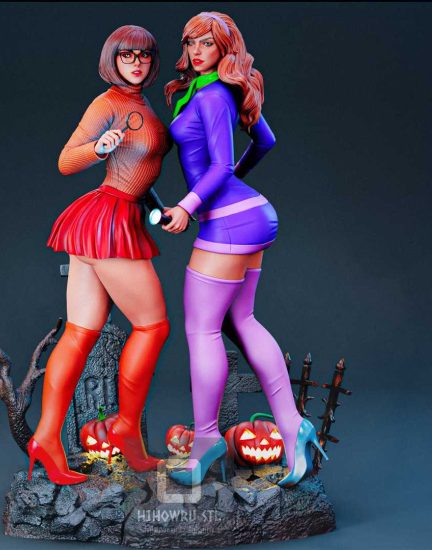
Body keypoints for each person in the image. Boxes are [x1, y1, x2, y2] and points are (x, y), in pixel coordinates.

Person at [162, 12, 327, 487]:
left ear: (224, 49)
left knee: (202, 330)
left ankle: (205, 439)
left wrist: (189, 205)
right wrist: (230, 184)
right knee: (242, 320)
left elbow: (217, 165)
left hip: (230, 221)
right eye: (191, 42)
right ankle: (294, 426)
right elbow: (265, 140)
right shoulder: (215, 90)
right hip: (249, 214)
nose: (197, 52)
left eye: (207, 44)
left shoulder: (213, 95)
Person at [27, 25, 172, 485]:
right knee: (152, 326)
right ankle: (126, 429)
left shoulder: (141, 104)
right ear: (113, 59)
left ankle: (46, 437)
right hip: (108, 218)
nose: (137, 63)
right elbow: (66, 161)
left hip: (116, 213)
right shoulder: (107, 103)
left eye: (144, 56)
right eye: (127, 55)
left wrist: (158, 207)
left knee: (80, 332)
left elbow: (139, 170)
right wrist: (98, 147)